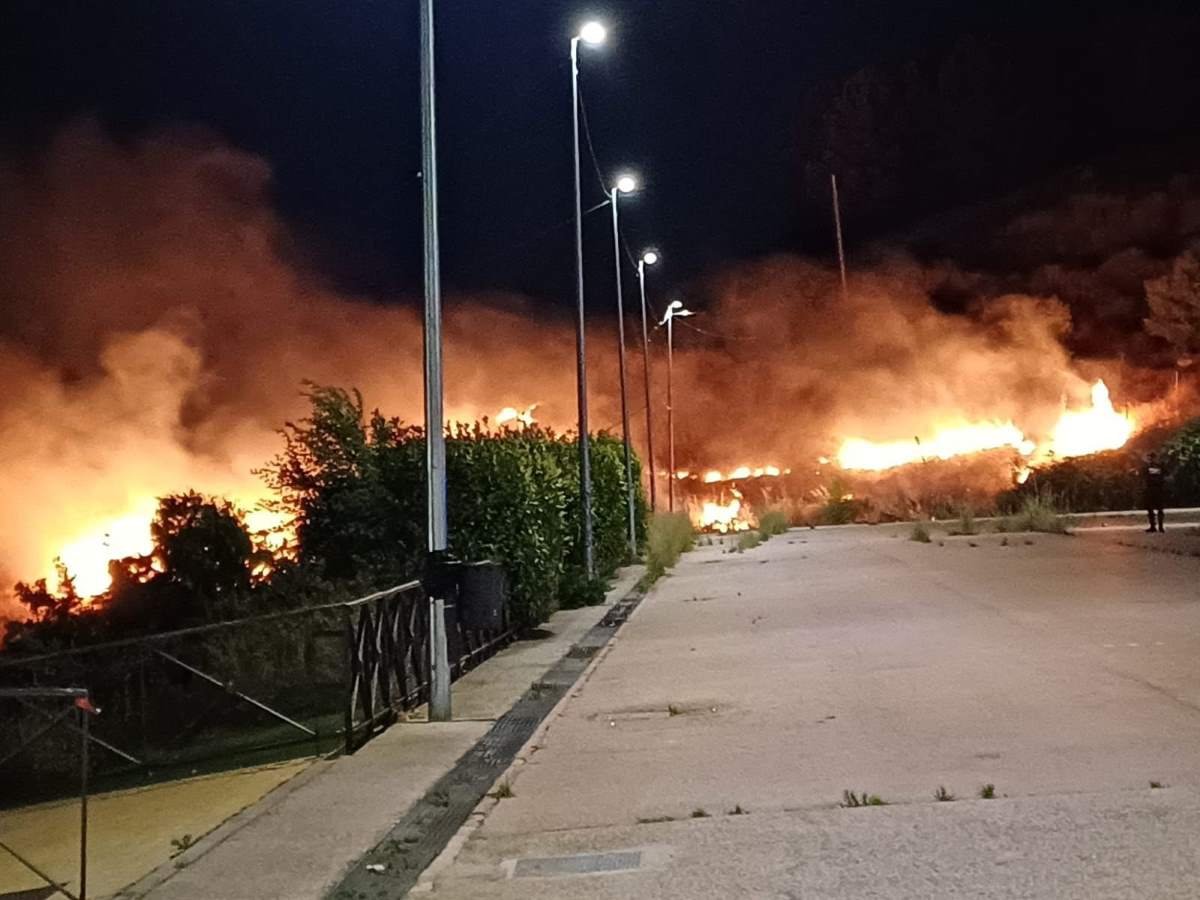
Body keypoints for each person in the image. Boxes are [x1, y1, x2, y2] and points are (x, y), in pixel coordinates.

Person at [1143, 452, 1167, 533]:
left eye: (1151, 457)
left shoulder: (1151, 467)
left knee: (1158, 508)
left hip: (1156, 489)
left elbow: (1165, 474)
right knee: (1151, 508)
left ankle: (1158, 527)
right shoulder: (1159, 466)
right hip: (1154, 489)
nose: (1150, 459)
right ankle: (1155, 526)